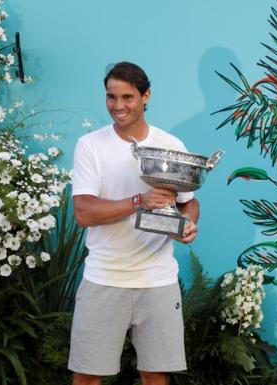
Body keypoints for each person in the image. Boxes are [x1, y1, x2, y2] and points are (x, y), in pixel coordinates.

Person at [68, 62, 199, 385]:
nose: (118, 106)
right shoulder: (90, 146)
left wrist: (185, 225)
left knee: (155, 375)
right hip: (104, 277)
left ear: (146, 96)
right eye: (111, 97)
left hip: (157, 279)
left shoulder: (170, 145)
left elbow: (189, 202)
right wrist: (139, 202)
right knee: (87, 377)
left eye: (127, 97)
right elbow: (84, 212)